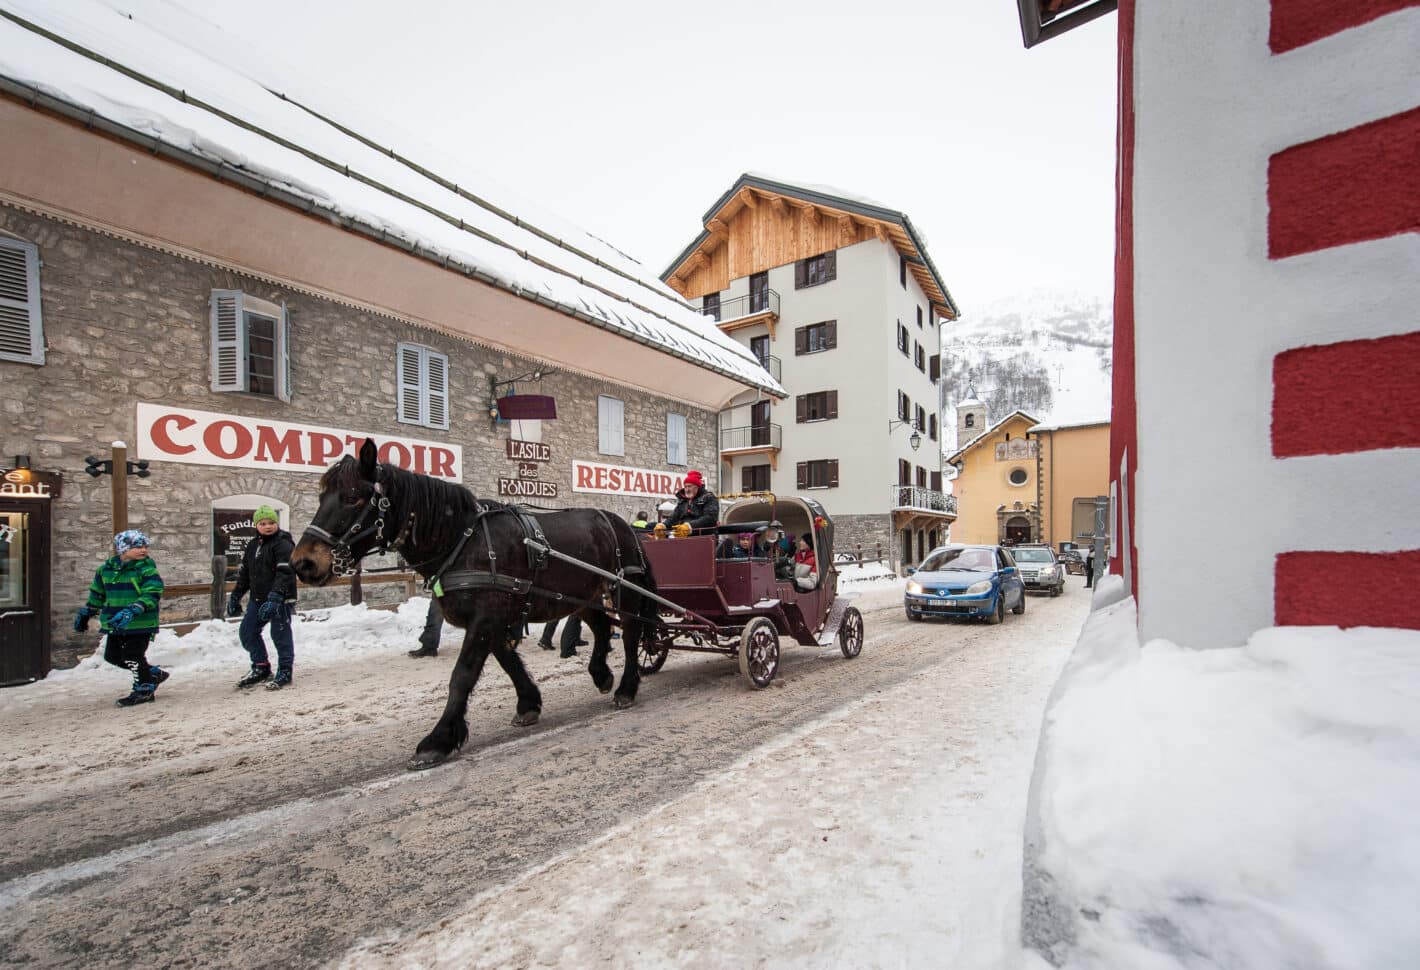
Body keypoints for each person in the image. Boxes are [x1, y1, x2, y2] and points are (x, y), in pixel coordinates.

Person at [75, 530, 167, 707]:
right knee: (112, 656)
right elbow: (98, 594)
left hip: (141, 622)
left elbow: (153, 591)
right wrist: (88, 612)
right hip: (115, 622)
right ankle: (152, 674)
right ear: (123, 548)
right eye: (138, 546)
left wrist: (135, 608)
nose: (143, 550)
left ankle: (144, 689)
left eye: (145, 546)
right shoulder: (105, 570)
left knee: (133, 655)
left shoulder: (146, 568)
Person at [227, 505, 298, 690]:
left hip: (280, 599)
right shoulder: (253, 545)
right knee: (248, 632)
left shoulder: (283, 543)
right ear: (256, 525)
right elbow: (245, 573)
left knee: (280, 635)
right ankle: (261, 667)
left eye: (272, 522)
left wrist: (276, 596)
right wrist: (236, 596)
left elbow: (286, 571)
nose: (268, 526)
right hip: (258, 598)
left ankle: (285, 670)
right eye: (263, 523)